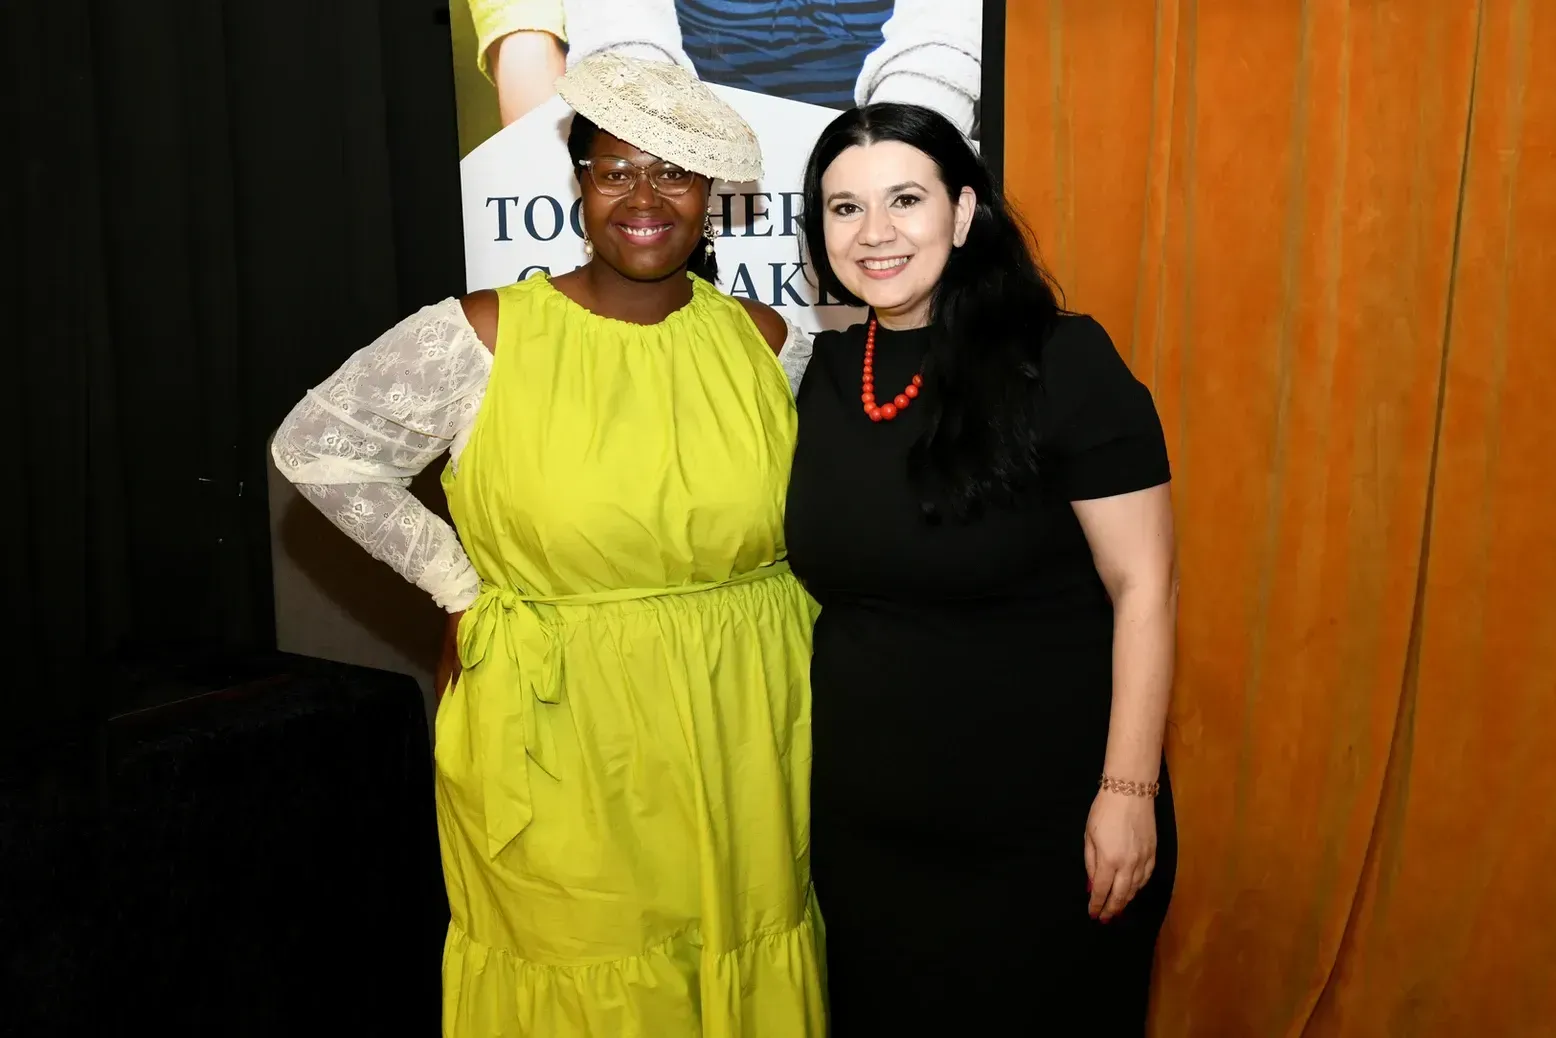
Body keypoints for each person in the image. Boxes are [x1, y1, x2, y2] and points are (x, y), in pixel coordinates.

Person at [271, 53, 824, 1037]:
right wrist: (457, 587)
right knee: (579, 975)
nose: (644, 198)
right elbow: (318, 447)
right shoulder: (483, 333)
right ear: (577, 182)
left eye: (673, 172)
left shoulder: (768, 336)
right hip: (558, 728)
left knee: (738, 953)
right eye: (615, 169)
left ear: (708, 194)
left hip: (743, 719)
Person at [784, 101, 1179, 1033]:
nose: (875, 233)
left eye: (906, 200)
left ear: (963, 214)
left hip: (1046, 833)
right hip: (870, 838)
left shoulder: (1064, 361)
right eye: (845, 209)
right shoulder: (826, 375)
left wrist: (1126, 796)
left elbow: (1146, 588)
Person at [471, 0, 983, 135]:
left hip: (905, 133)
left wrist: (903, 156)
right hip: (702, 152)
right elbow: (623, 33)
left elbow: (944, 38)